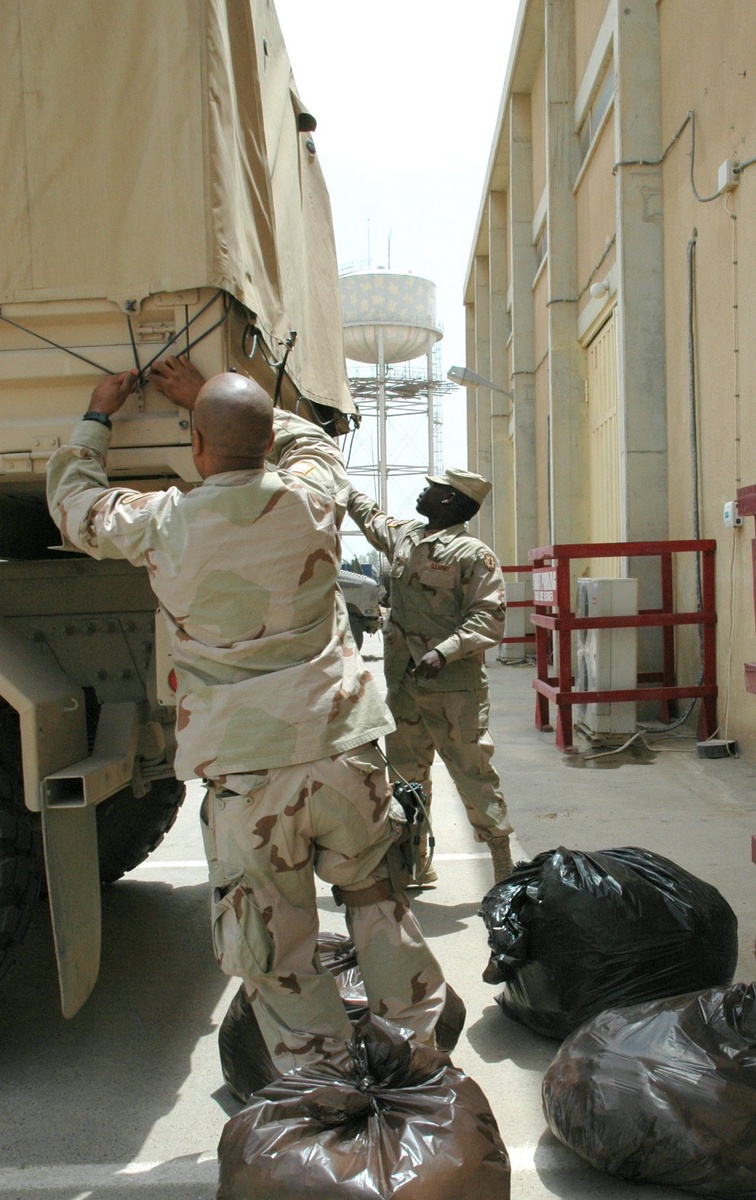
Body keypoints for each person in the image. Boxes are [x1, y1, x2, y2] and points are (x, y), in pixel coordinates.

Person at [46, 355, 446, 1072]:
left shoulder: (162, 521)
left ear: (197, 448)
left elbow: (77, 505)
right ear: (266, 441)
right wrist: (208, 391)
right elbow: (315, 445)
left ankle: (324, 1094)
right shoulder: (312, 497)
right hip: (345, 752)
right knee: (378, 902)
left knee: (277, 948)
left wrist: (98, 415)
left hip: (249, 775)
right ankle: (421, 1061)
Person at [346, 469, 515, 886]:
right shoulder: (406, 536)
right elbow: (369, 514)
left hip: (454, 691)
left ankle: (504, 868)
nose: (424, 490)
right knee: (406, 777)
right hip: (404, 687)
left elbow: (489, 618)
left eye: (433, 487)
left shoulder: (473, 554)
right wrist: (340, 483)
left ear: (449, 500)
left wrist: (445, 650)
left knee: (473, 775)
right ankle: (415, 861)